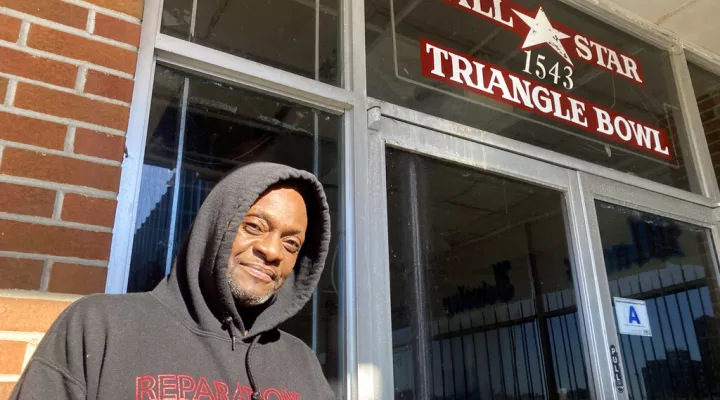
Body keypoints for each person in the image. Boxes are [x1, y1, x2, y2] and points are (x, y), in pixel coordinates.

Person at [10, 162, 334, 400]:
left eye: (291, 243)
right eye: (252, 226)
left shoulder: (301, 362)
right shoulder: (99, 327)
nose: (272, 250)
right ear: (214, 227)